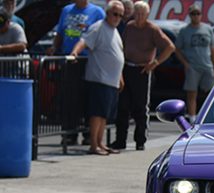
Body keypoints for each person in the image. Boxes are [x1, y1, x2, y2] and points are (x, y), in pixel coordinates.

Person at [112, 1, 174, 151]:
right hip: (127, 67)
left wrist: (155, 62)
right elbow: (122, 46)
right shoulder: (129, 26)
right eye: (137, 13)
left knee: (140, 107)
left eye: (142, 14)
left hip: (142, 71)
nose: (139, 17)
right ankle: (120, 140)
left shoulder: (152, 29)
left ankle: (140, 140)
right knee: (123, 106)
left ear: (147, 15)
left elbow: (170, 47)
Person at [70, 1, 125, 156]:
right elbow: (84, 41)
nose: (117, 18)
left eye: (120, 15)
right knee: (97, 114)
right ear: (107, 13)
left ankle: (101, 143)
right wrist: (75, 53)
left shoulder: (114, 31)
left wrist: (120, 76)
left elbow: (116, 55)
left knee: (104, 115)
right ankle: (94, 145)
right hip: (99, 79)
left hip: (111, 81)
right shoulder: (98, 27)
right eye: (115, 14)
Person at [48, 0, 105, 146]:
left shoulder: (97, 12)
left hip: (87, 59)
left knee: (87, 96)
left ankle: (87, 133)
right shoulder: (66, 10)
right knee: (69, 98)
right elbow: (60, 33)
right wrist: (54, 47)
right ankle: (69, 134)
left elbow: (102, 34)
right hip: (69, 60)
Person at [175, 4, 214, 122]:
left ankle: (209, 117)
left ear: (201, 15)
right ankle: (192, 118)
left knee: (211, 93)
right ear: (189, 15)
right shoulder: (184, 31)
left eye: (198, 13)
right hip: (192, 66)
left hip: (207, 65)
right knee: (191, 93)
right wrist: (185, 63)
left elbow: (213, 49)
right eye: (193, 14)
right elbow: (177, 49)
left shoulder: (208, 29)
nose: (195, 16)